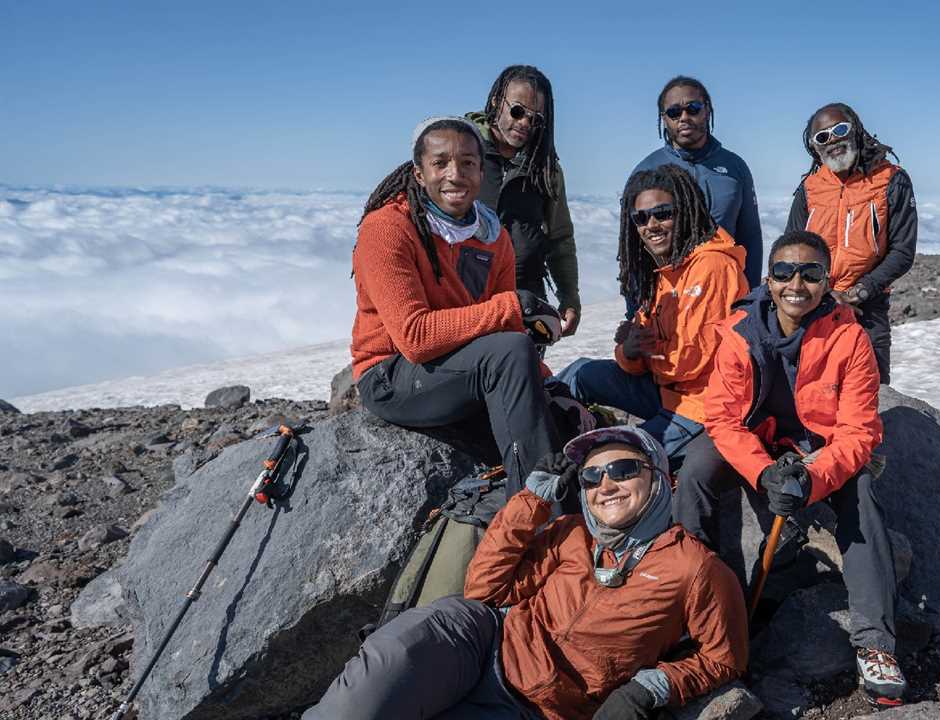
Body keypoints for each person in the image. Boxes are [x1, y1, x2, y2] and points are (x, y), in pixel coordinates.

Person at [304, 425, 749, 720]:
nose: (605, 485)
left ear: (658, 477)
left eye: (623, 469)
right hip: (479, 642)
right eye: (591, 478)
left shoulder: (694, 568)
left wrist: (649, 687)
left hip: (541, 708)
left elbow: (724, 658)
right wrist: (531, 500)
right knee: (371, 688)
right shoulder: (570, 531)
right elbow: (484, 590)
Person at [672, 231, 907, 705]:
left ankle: (876, 643)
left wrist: (811, 479)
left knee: (859, 495)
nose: (795, 283)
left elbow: (859, 433)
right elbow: (722, 417)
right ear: (768, 279)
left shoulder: (850, 338)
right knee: (696, 468)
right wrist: (763, 473)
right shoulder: (740, 331)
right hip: (755, 441)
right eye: (783, 272)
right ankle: (683, 607)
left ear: (826, 282)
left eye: (810, 273)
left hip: (816, 449)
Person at [350, 115, 566, 493]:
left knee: (562, 420)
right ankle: (536, 510)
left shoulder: (492, 236)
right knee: (509, 351)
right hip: (390, 374)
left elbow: (506, 332)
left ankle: (549, 499)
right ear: (419, 173)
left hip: (457, 370)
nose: (455, 174)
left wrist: (547, 386)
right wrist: (513, 305)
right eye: (440, 163)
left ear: (481, 171)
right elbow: (415, 338)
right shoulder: (388, 228)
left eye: (468, 162)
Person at [557, 164, 748, 468]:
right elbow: (639, 347)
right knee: (579, 373)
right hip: (664, 391)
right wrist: (630, 352)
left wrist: (643, 352)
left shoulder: (712, 267)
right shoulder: (665, 271)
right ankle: (530, 431)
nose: (651, 225)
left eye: (663, 213)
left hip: (701, 406)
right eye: (641, 218)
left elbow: (688, 363)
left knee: (613, 460)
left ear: (685, 211)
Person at [784, 103, 917, 385]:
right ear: (814, 147)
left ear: (855, 130)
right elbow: (790, 250)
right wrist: (825, 295)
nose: (832, 140)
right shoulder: (809, 189)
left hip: (867, 307)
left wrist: (860, 291)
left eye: (840, 129)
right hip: (813, 306)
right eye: (822, 137)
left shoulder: (891, 181)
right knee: (806, 395)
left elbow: (903, 251)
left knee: (871, 394)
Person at [468, 65, 582, 337]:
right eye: (518, 111)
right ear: (497, 101)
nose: (524, 124)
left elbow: (560, 237)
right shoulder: (463, 149)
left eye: (536, 119)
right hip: (464, 299)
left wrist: (569, 296)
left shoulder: (545, 169)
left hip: (525, 301)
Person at [630, 76, 762, 296]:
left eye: (693, 108)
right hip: (668, 300)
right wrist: (636, 310)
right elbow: (633, 248)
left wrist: (751, 300)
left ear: (707, 111)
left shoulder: (735, 167)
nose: (684, 118)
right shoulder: (647, 171)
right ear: (664, 119)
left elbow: (750, 237)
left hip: (726, 292)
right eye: (674, 112)